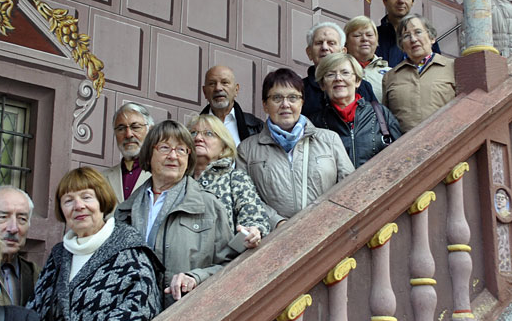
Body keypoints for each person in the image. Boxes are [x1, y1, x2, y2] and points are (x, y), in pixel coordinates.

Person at [28, 168, 161, 321]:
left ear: (102, 202)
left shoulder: (128, 249)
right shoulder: (59, 255)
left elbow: (140, 305)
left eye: (87, 197)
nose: (78, 206)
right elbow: (35, 310)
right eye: (68, 200)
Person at [114, 120, 238, 305]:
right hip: (133, 316)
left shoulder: (209, 205)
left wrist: (196, 277)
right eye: (165, 148)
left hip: (185, 314)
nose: (173, 156)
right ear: (148, 155)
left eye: (181, 150)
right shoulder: (125, 210)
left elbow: (231, 266)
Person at [238, 69, 353, 219]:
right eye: (277, 98)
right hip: (275, 236)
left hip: (325, 230)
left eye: (293, 97)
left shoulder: (329, 140)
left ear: (301, 103)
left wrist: (325, 218)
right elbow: (244, 197)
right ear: (265, 105)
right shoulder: (247, 149)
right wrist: (277, 222)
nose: (285, 104)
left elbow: (350, 187)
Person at [188, 113, 280, 245]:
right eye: (192, 133)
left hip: (222, 263)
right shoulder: (178, 180)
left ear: (223, 147)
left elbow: (255, 218)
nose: (198, 138)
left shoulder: (235, 178)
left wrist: (253, 231)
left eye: (208, 133)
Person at [307, 52, 401, 168]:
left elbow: (400, 156)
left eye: (345, 73)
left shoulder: (380, 114)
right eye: (330, 75)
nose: (338, 78)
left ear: (357, 81)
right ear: (322, 85)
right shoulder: (315, 124)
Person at [383, 13, 458, 132]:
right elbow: (387, 120)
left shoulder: (453, 67)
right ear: (401, 45)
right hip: (404, 147)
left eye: (418, 32)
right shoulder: (391, 76)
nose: (413, 39)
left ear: (432, 38)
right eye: (406, 36)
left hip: (447, 143)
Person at [301, 22, 375, 116]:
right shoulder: (300, 89)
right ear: (309, 53)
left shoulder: (362, 86)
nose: (324, 47)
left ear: (343, 52)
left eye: (331, 43)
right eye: (319, 43)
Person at [376, 0, 441, 67]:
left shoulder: (425, 37)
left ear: (412, 1)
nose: (401, 0)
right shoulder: (373, 37)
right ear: (385, 0)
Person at [199, 65, 263, 145]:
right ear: (204, 92)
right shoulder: (192, 130)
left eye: (225, 83)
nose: (218, 88)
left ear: (236, 90)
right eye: (212, 84)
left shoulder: (257, 127)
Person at [102, 101, 153, 201]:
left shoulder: (162, 175)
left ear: (150, 130)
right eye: (121, 129)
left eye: (135, 127)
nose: (128, 134)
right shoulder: (102, 178)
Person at [344, 16, 391, 101]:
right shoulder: (337, 71)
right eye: (357, 35)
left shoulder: (390, 73)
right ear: (346, 42)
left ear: (377, 41)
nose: (365, 39)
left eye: (369, 35)